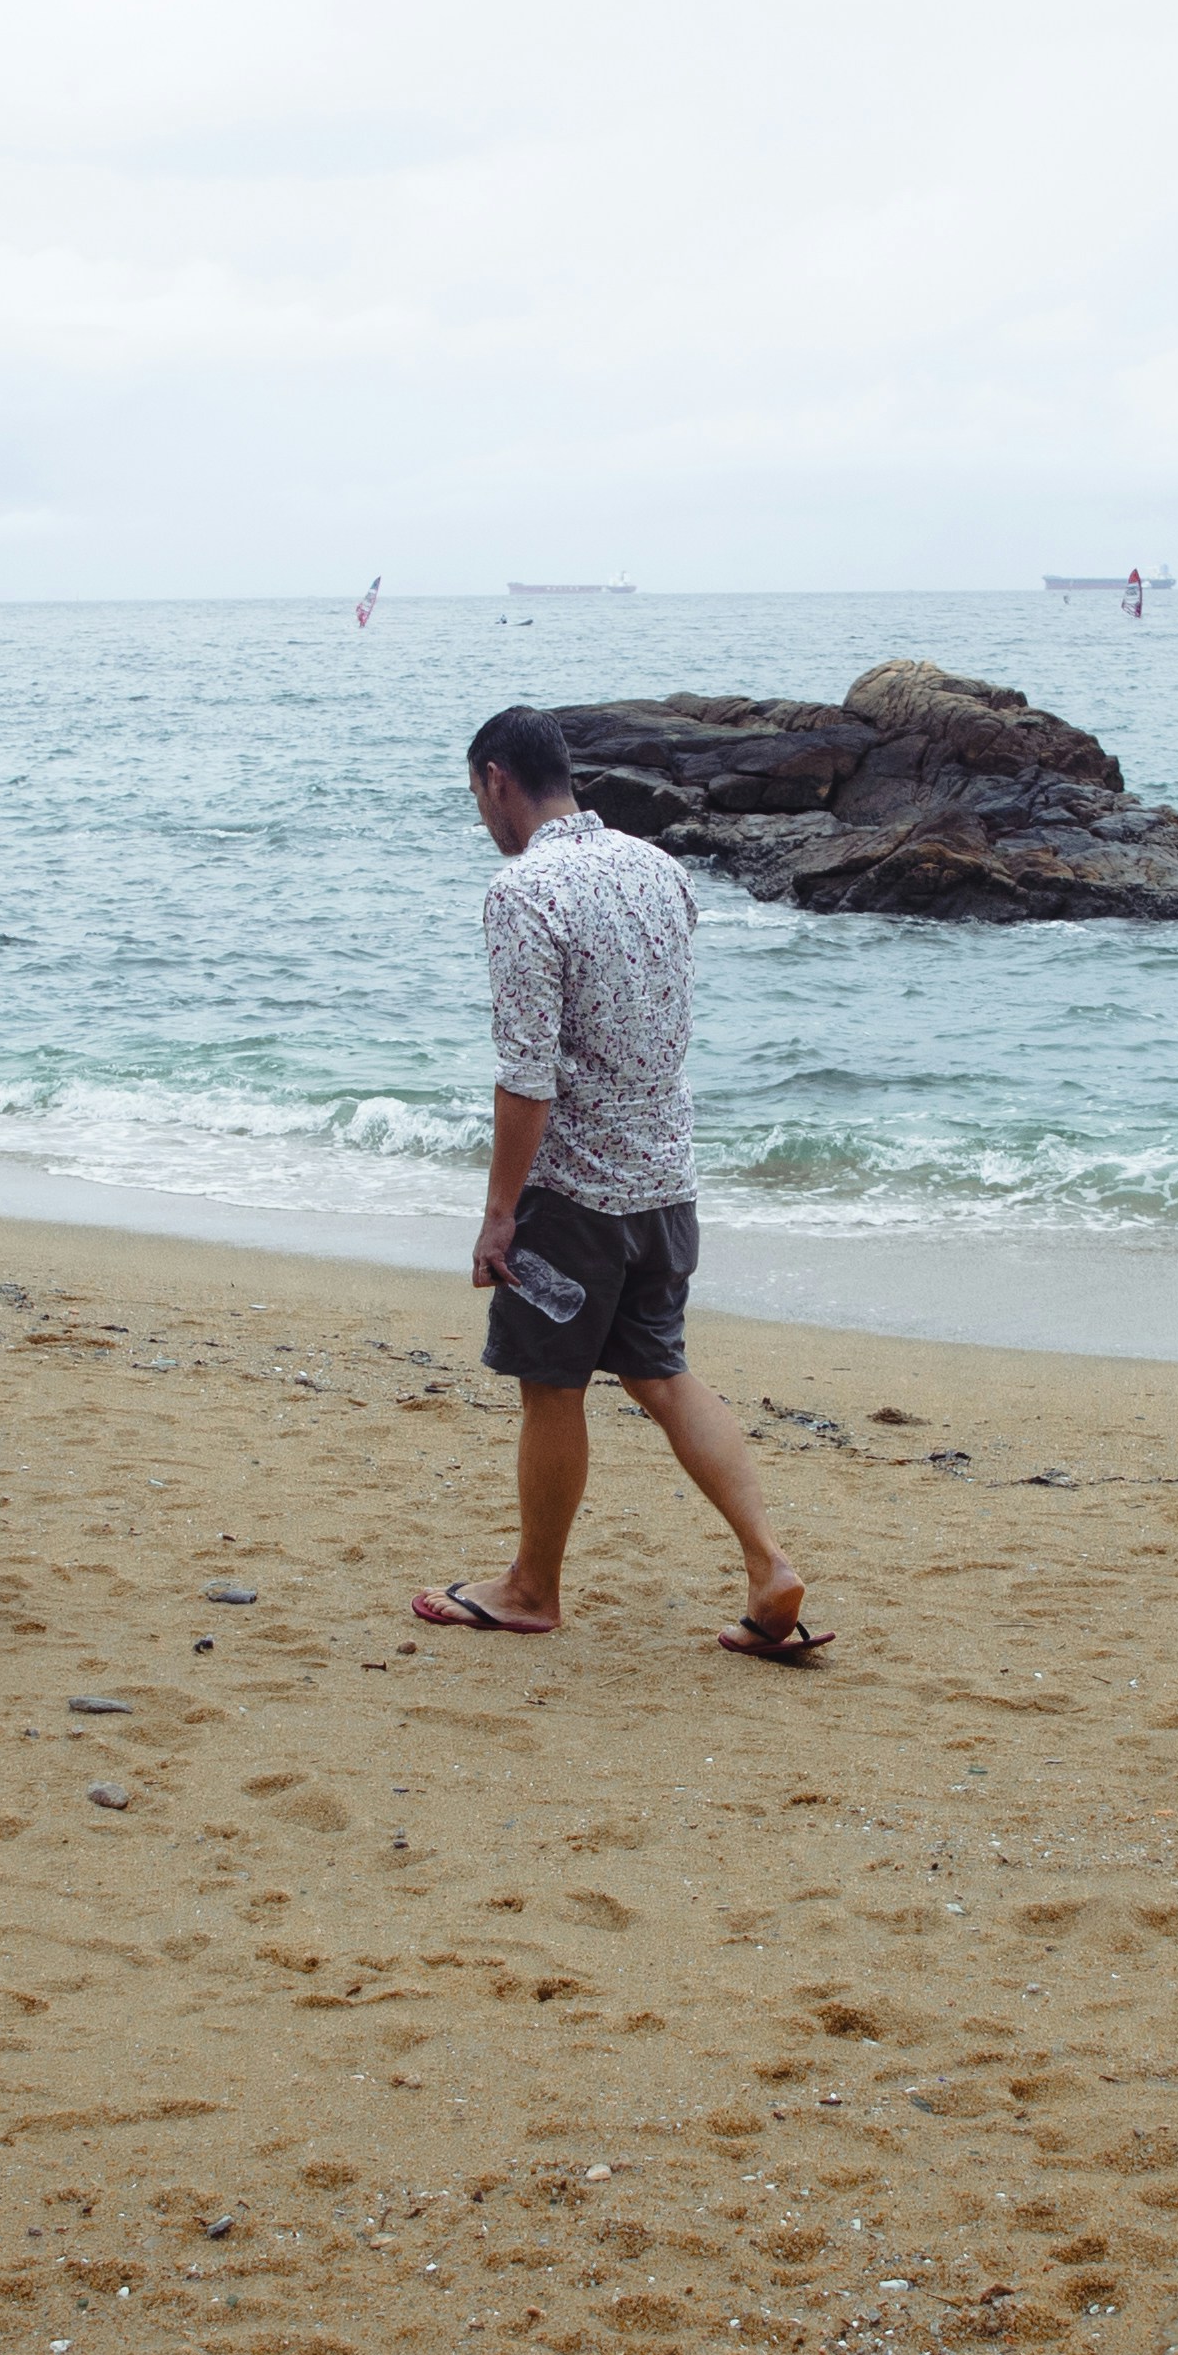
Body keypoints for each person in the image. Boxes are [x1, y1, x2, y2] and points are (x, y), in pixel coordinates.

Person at [411, 707, 829, 1663]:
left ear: (494, 781)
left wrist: (499, 1216)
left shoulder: (524, 891)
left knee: (550, 1385)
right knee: (664, 1374)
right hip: (667, 1180)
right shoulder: (659, 869)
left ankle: (529, 1590)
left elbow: (528, 1074)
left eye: (477, 795)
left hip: (575, 1201)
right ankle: (769, 1567)